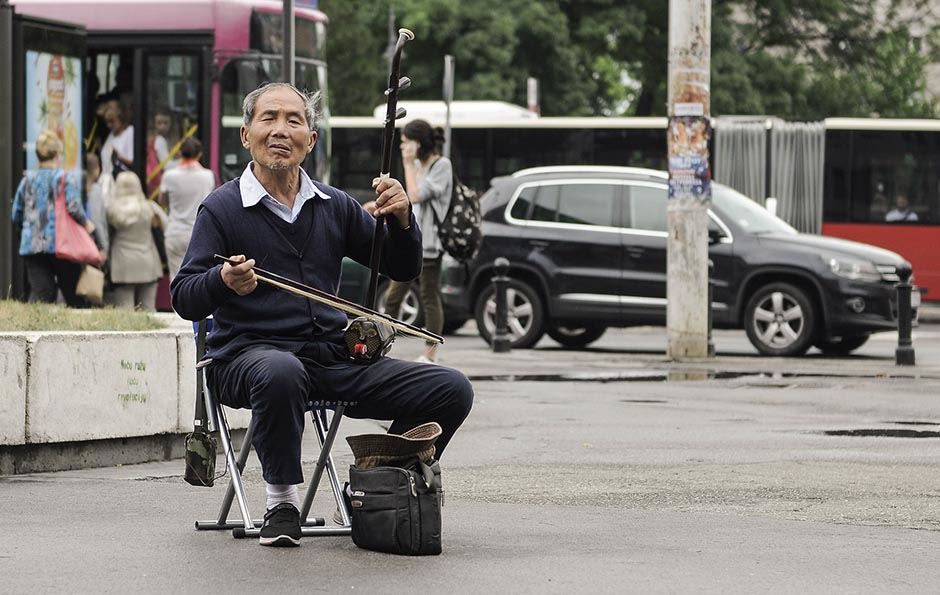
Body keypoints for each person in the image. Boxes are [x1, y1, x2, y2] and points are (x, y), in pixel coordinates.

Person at [170, 82, 473, 548]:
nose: (280, 130)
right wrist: (222, 281)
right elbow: (185, 296)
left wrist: (403, 220)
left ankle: (377, 483)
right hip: (247, 361)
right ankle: (282, 504)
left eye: (294, 120)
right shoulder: (222, 208)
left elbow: (401, 267)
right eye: (268, 118)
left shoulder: (334, 205)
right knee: (281, 370)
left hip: (332, 360)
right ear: (246, 135)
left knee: (451, 388)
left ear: (310, 140)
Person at [379, 120, 452, 364]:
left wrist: (408, 164)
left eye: (405, 142)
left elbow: (414, 195)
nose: (402, 147)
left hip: (430, 244)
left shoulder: (441, 165)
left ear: (417, 143)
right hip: (412, 240)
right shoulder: (420, 165)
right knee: (393, 296)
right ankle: (380, 346)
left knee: (429, 296)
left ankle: (430, 354)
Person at [11, 130, 93, 306]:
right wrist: (87, 224)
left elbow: (16, 213)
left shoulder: (27, 180)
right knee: (73, 294)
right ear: (57, 154)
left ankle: (32, 323)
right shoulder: (64, 178)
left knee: (41, 294)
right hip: (61, 243)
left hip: (32, 246)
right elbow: (74, 207)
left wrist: (26, 233)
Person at [159, 137, 215, 279]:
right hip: (199, 232)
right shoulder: (208, 176)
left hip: (175, 232)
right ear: (199, 154)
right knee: (198, 277)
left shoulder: (169, 176)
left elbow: (162, 202)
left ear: (180, 153)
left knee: (176, 277)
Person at [106, 171, 164, 310]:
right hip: (148, 261)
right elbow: (164, 226)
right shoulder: (149, 207)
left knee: (124, 309)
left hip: (122, 264)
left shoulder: (113, 210)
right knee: (148, 308)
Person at [84, 153, 109, 266]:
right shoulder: (95, 190)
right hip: (93, 245)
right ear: (96, 170)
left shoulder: (76, 187)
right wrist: (104, 247)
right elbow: (97, 221)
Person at [100, 101, 134, 178]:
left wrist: (118, 157)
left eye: (112, 121)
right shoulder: (111, 135)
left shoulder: (130, 132)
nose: (109, 125)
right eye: (106, 122)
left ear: (120, 117)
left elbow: (134, 162)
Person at [147, 107, 175, 197]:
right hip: (159, 182)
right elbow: (167, 165)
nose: (162, 126)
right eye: (159, 123)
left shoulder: (157, 139)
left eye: (166, 123)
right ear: (154, 124)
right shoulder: (159, 140)